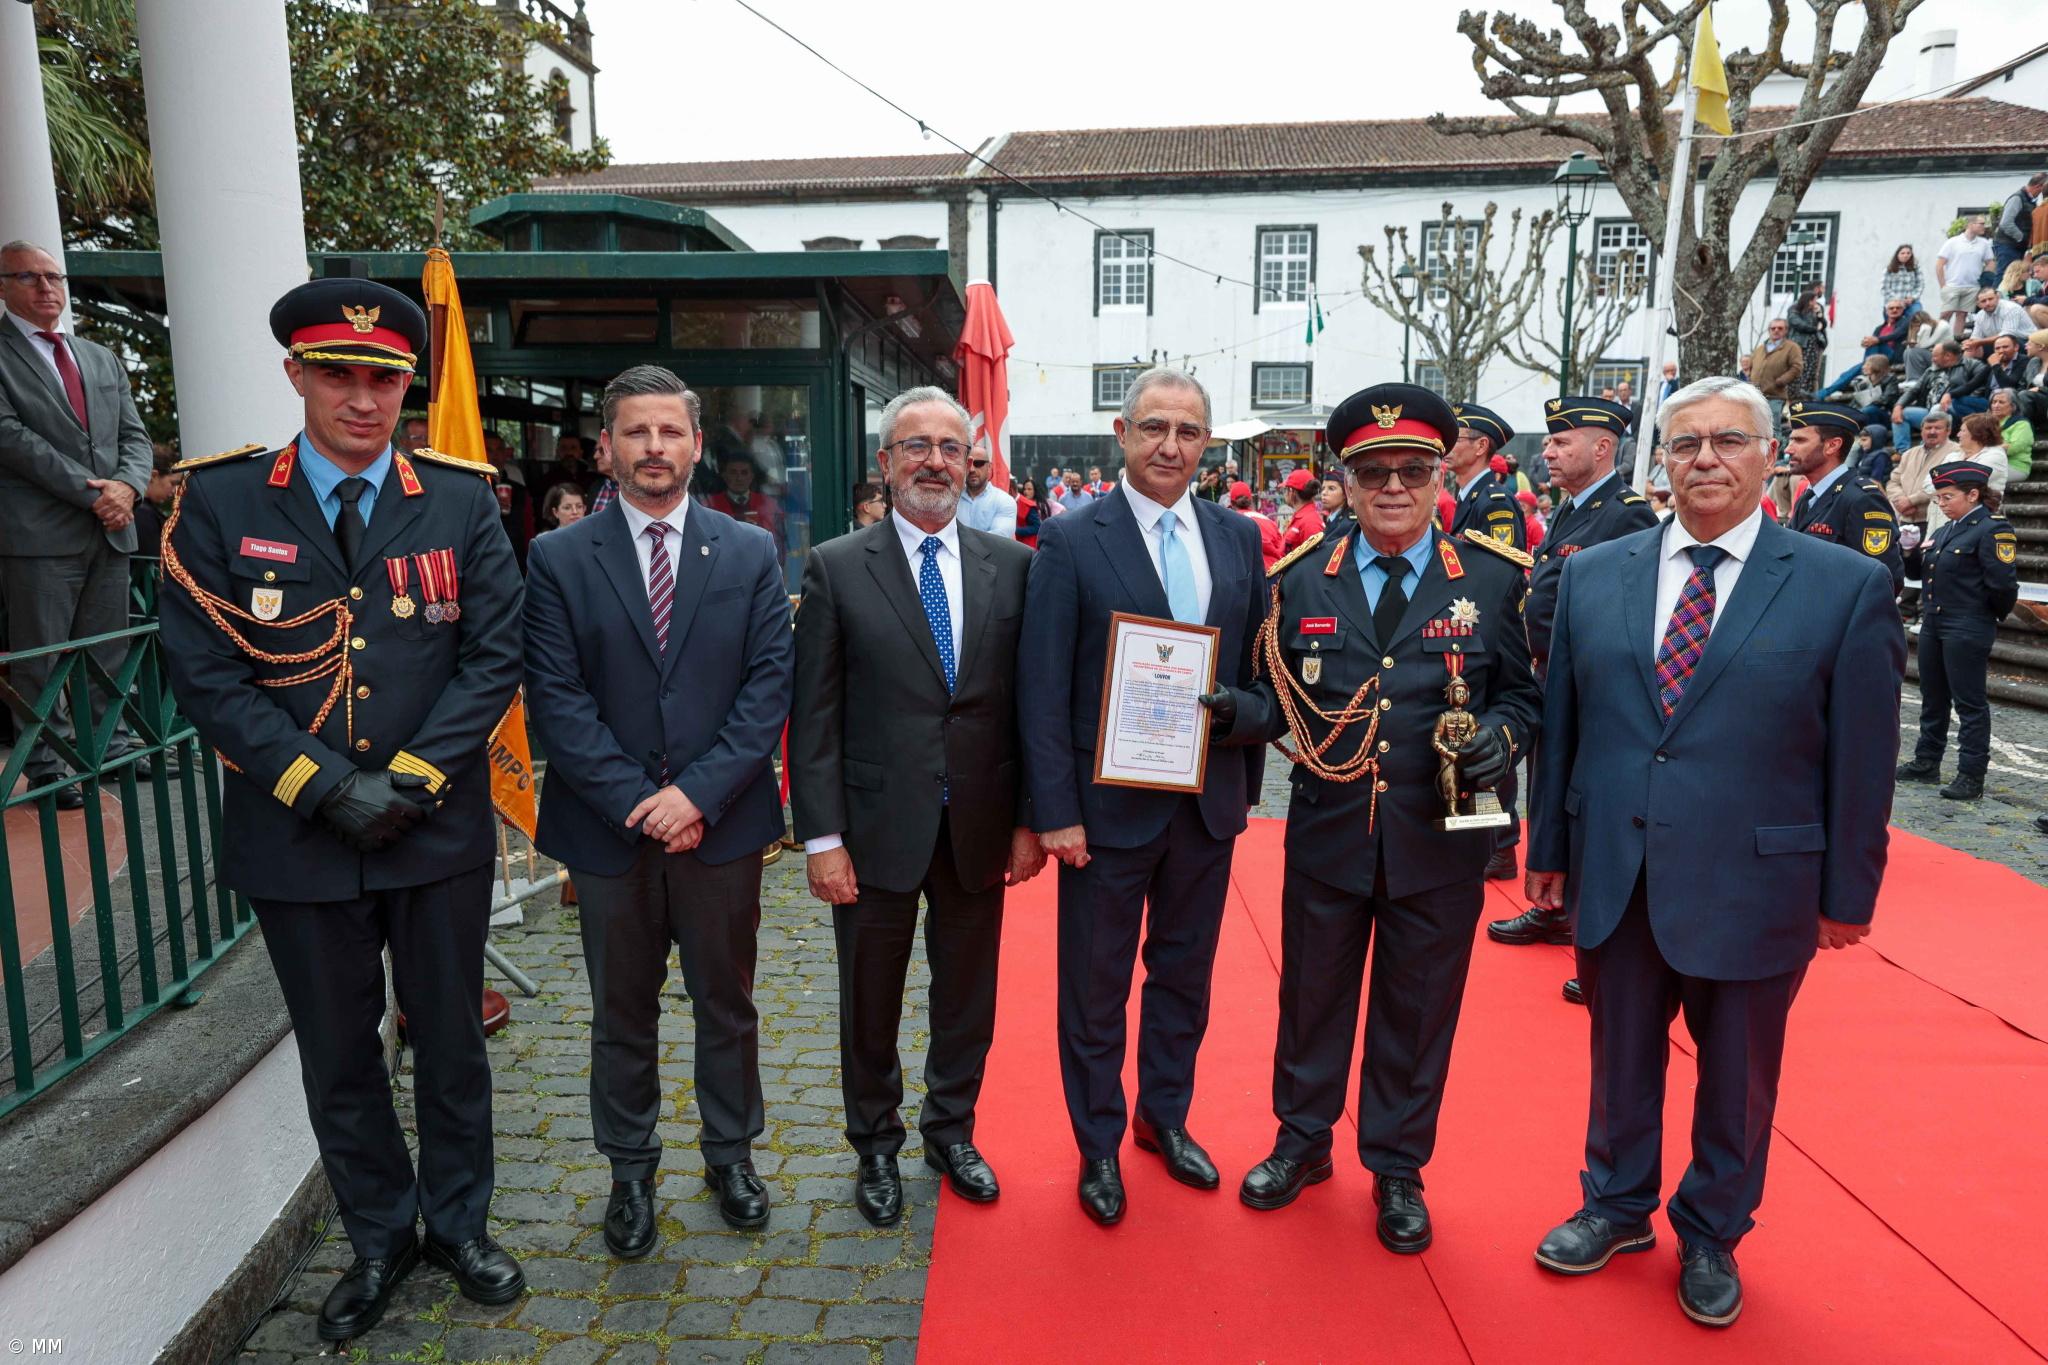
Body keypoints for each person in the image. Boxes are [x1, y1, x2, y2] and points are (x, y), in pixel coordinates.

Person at [157, 278, 527, 1340]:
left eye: (384, 380)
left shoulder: (459, 499)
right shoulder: (221, 503)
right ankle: (380, 1237)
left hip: (433, 829)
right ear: (296, 377)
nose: (362, 400)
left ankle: (459, 1225)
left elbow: (492, 654)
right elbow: (205, 672)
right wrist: (325, 787)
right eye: (338, 376)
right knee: (338, 1051)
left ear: (407, 386)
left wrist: (405, 784)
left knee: (451, 1043)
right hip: (295, 834)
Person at [1525, 375, 1904, 1330]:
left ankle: (1712, 1229)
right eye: (1685, 442)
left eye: (1728, 441)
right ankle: (1615, 1204)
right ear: (1661, 456)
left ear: (1769, 454)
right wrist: (1550, 846)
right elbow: (1567, 728)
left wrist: (1848, 892)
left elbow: (1862, 760)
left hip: (1756, 880)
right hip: (1619, 866)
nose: (1704, 459)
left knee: (1737, 1072)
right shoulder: (1595, 573)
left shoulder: (1843, 585)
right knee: (1619, 1056)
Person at [1240, 382, 1538, 1255]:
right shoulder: (1299, 580)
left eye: (1412, 469)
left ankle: (1399, 1163)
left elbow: (1526, 694)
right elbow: (1275, 695)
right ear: (1347, 479)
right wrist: (1229, 709)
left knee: (1418, 1008)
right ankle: (1302, 1140)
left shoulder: (1492, 576)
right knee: (1312, 998)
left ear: (1441, 472)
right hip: (1331, 830)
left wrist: (1502, 736)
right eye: (1375, 472)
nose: (1395, 487)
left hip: (1444, 838)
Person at [521, 364, 794, 1254]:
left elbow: (766, 690)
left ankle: (731, 1154)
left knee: (728, 1004)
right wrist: (645, 802)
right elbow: (555, 698)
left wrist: (696, 795)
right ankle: (630, 1173)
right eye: (635, 432)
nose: (654, 448)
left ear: (697, 444)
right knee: (622, 1012)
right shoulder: (558, 557)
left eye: (670, 432)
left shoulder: (749, 551)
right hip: (611, 833)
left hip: (721, 829)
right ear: (606, 447)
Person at [1018, 366, 1275, 1226]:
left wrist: (1245, 716)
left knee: (1184, 978)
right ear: (1121, 434)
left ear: (1208, 443)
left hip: (1205, 808)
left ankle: (1163, 1116)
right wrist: (1053, 809)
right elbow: (1042, 684)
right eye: (1155, 427)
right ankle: (1096, 1142)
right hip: (1104, 812)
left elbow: (1259, 674)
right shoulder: (1070, 537)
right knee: (1094, 987)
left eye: (1189, 432)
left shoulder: (1239, 537)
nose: (1171, 446)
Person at [789, 386, 1042, 1228]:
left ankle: (951, 1129)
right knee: (872, 998)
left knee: (968, 995)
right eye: (916, 446)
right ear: (885, 463)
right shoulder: (833, 565)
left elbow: (1024, 708)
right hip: (872, 830)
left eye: (951, 446)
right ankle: (875, 1144)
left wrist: (1026, 819)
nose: (935, 461)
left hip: (976, 827)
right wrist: (821, 838)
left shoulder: (1012, 566)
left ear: (971, 462)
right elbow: (813, 715)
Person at [1487, 395, 1656, 956]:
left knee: (1583, 797)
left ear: (1603, 447)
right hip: (1550, 672)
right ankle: (1555, 901)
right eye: (1551, 442)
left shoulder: (1625, 511)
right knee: (1550, 787)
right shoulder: (1574, 506)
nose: (1548, 453)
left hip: (1589, 682)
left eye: (1562, 442)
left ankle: (1590, 919)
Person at [0, 238, 155, 806]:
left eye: (54, 277)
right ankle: (46, 765)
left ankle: (110, 748)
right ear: (3, 287)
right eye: (28, 277)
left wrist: (129, 487)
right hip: (39, 536)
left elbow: (134, 437)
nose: (46, 288)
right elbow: (12, 440)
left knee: (107, 648)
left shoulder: (99, 356)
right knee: (39, 657)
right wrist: (93, 493)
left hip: (110, 529)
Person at [1896, 462, 2017, 803]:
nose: (1942, 503)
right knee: (1933, 696)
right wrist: (1909, 549)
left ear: (1973, 494)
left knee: (1969, 702)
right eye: (1939, 498)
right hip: (1935, 620)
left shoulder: (1992, 529)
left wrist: (1984, 615)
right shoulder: (1949, 529)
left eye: (1948, 497)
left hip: (1966, 623)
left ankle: (1971, 774)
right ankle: (1927, 760)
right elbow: (1921, 572)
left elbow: (2003, 585)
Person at [1782, 401, 1905, 596]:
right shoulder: (1808, 498)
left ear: (1832, 445)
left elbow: (1886, 578)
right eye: (1790, 440)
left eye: (1799, 440)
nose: (1788, 449)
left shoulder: (1861, 499)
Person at [1886, 408, 1957, 583]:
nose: (1932, 432)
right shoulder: (1910, 453)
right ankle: (1906, 607)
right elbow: (1893, 481)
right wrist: (1900, 500)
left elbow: (1942, 484)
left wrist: (1911, 500)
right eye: (1928, 428)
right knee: (1904, 565)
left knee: (1927, 568)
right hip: (1905, 519)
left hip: (1931, 520)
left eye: (1937, 428)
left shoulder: (1954, 453)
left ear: (1948, 431)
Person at [1444, 403, 1527, 554]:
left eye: (1456, 439)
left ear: (1481, 446)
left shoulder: (1496, 504)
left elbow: (1502, 571)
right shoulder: (1469, 496)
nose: (1446, 446)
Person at [1892, 340, 1990, 450]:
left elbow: (1980, 386)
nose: (1932, 359)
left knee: (1939, 408)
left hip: (1955, 413)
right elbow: (1914, 391)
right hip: (1929, 412)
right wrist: (1899, 405)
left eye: (1935, 356)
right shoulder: (1931, 370)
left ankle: (1923, 449)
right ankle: (1903, 451)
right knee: (1901, 413)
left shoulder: (1972, 365)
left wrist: (1954, 398)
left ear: (1948, 356)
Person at [704, 450, 786, 556]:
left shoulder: (769, 505)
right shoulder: (709, 506)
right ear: (724, 476)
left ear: (752, 476)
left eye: (744, 472)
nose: (739, 478)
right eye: (733, 472)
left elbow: (779, 544)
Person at [1936, 217, 1998, 334]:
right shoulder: (1952, 242)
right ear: (1970, 224)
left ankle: (1956, 342)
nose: (1983, 227)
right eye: (1981, 224)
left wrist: (1984, 277)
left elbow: (1990, 261)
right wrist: (1943, 285)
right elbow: (1940, 264)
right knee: (1946, 314)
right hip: (1952, 284)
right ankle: (1937, 341)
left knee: (1962, 315)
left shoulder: (1984, 243)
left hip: (1972, 286)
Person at [1746, 319, 1803, 430]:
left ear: (1786, 330)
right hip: (1756, 396)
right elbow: (1750, 366)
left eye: (1780, 328)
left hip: (1775, 396)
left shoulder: (1792, 347)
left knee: (1773, 428)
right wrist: (1750, 379)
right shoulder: (1760, 348)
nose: (1776, 330)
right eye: (1773, 328)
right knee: (1753, 427)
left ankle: (1775, 447)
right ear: (1769, 330)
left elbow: (1797, 367)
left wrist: (1782, 381)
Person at [955, 438, 1017, 539]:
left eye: (978, 463)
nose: (972, 469)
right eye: (968, 463)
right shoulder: (951, 499)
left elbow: (999, 538)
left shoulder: (1004, 500)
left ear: (989, 467)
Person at [132, 442, 185, 558]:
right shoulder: (143, 515)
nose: (176, 490)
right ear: (153, 476)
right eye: (173, 483)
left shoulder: (138, 509)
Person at [1995, 176, 2047, 282]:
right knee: (2006, 275)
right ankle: (1997, 297)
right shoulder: (2017, 198)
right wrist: (2022, 237)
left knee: (2016, 277)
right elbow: (2006, 223)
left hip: (2017, 246)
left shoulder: (2033, 203)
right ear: (2038, 187)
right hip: (2008, 244)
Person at [1961, 287, 2031, 360]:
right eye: (1983, 301)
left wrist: (1978, 342)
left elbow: (2008, 335)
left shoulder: (2011, 308)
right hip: (1998, 343)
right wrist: (1969, 343)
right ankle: (1964, 369)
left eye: (1990, 299)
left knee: (2006, 341)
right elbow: (1975, 337)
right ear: (1978, 304)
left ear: (1997, 298)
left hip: (2023, 342)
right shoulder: (1980, 315)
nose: (1987, 303)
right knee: (1971, 348)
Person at [1229, 478, 1283, 568]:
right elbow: (1280, 548)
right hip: (1276, 572)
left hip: (1252, 573)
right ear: (1251, 500)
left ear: (1232, 503)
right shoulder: (1268, 520)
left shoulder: (1232, 520)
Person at [1992, 386, 2035, 481]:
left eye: (2001, 402)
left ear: (2013, 406)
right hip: (1992, 463)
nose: (1996, 405)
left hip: (2015, 467)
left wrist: (1986, 449)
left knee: (1979, 475)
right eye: (1994, 402)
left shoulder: (2022, 424)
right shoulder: (1988, 423)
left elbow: (2013, 448)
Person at [1278, 467, 1324, 554]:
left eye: (1285, 489)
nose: (1284, 494)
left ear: (1292, 492)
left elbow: (1315, 559)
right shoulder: (1303, 518)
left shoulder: (1310, 522)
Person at [1880, 243, 1923, 311]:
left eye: (1908, 253)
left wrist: (1912, 297)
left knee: (1916, 313)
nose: (1905, 255)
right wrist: (1899, 300)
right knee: (1895, 314)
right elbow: (1884, 288)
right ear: (1897, 255)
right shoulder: (1889, 269)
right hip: (1893, 302)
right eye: (1902, 253)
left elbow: (1920, 285)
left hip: (1911, 302)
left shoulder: (1915, 268)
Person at [1015, 476, 1043, 547]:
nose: (1026, 491)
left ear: (1035, 491)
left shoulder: (1039, 505)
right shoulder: (1020, 502)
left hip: (1032, 543)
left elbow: (1037, 527)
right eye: (1024, 489)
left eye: (1029, 489)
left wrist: (1017, 530)